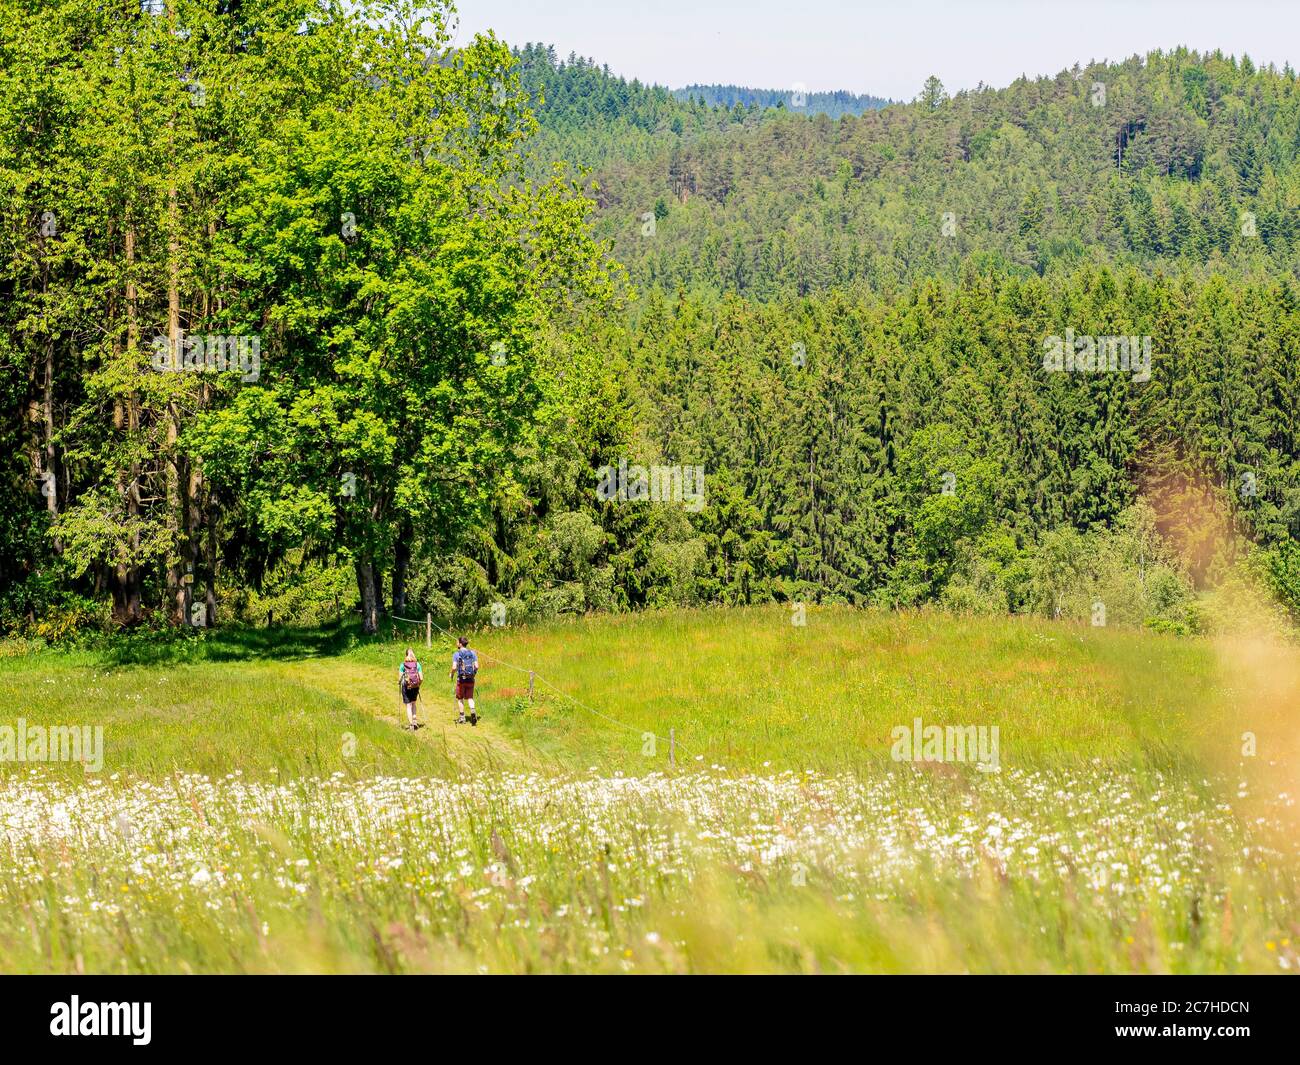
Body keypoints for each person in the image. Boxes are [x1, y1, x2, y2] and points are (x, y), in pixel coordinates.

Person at [450, 636, 478, 725]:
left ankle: (462, 718)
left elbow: (454, 667)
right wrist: (473, 673)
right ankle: (473, 711)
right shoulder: (472, 653)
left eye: (457, 642)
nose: (456, 643)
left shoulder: (456, 654)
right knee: (470, 697)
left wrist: (451, 674)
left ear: (460, 644)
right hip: (471, 678)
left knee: (460, 698)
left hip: (461, 679)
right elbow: (476, 666)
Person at [398, 647, 424, 730]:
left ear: (405, 655)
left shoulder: (403, 665)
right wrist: (418, 684)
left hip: (406, 687)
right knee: (413, 704)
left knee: (408, 706)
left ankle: (411, 725)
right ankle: (415, 721)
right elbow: (421, 678)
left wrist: (398, 682)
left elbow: (400, 678)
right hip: (415, 686)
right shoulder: (417, 664)